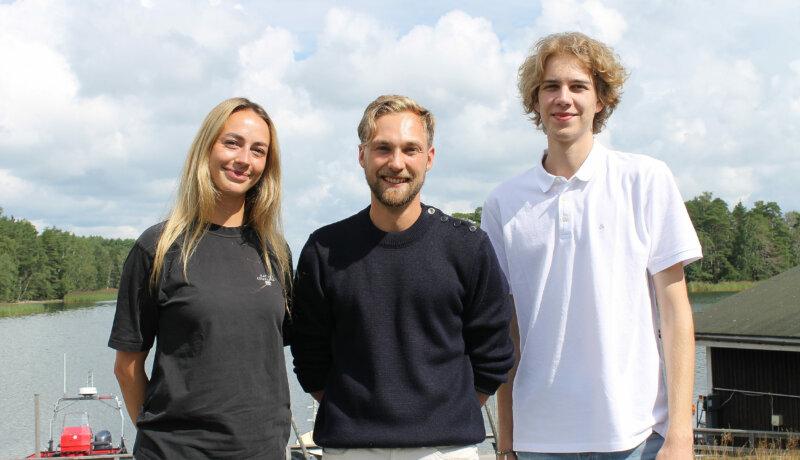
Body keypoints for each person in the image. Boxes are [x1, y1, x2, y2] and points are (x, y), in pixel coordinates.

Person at [482, 32, 702, 459]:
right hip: (537, 442)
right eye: (551, 86)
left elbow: (675, 314)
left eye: (578, 86)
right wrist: (506, 439)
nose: (564, 98)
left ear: (600, 100)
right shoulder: (502, 203)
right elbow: (505, 332)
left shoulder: (645, 180)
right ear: (535, 100)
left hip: (637, 436)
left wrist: (681, 433)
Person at [291, 94, 514, 460]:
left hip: (448, 450)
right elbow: (309, 354)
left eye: (410, 149)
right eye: (383, 148)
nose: (397, 163)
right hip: (351, 450)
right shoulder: (324, 249)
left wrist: (447, 414)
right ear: (362, 155)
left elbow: (493, 349)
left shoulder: (468, 246)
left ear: (429, 158)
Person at [108, 97, 292, 459]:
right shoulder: (157, 248)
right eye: (232, 143)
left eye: (258, 150)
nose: (244, 159)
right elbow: (127, 368)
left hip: (263, 452)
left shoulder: (275, 252)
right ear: (206, 148)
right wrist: (163, 440)